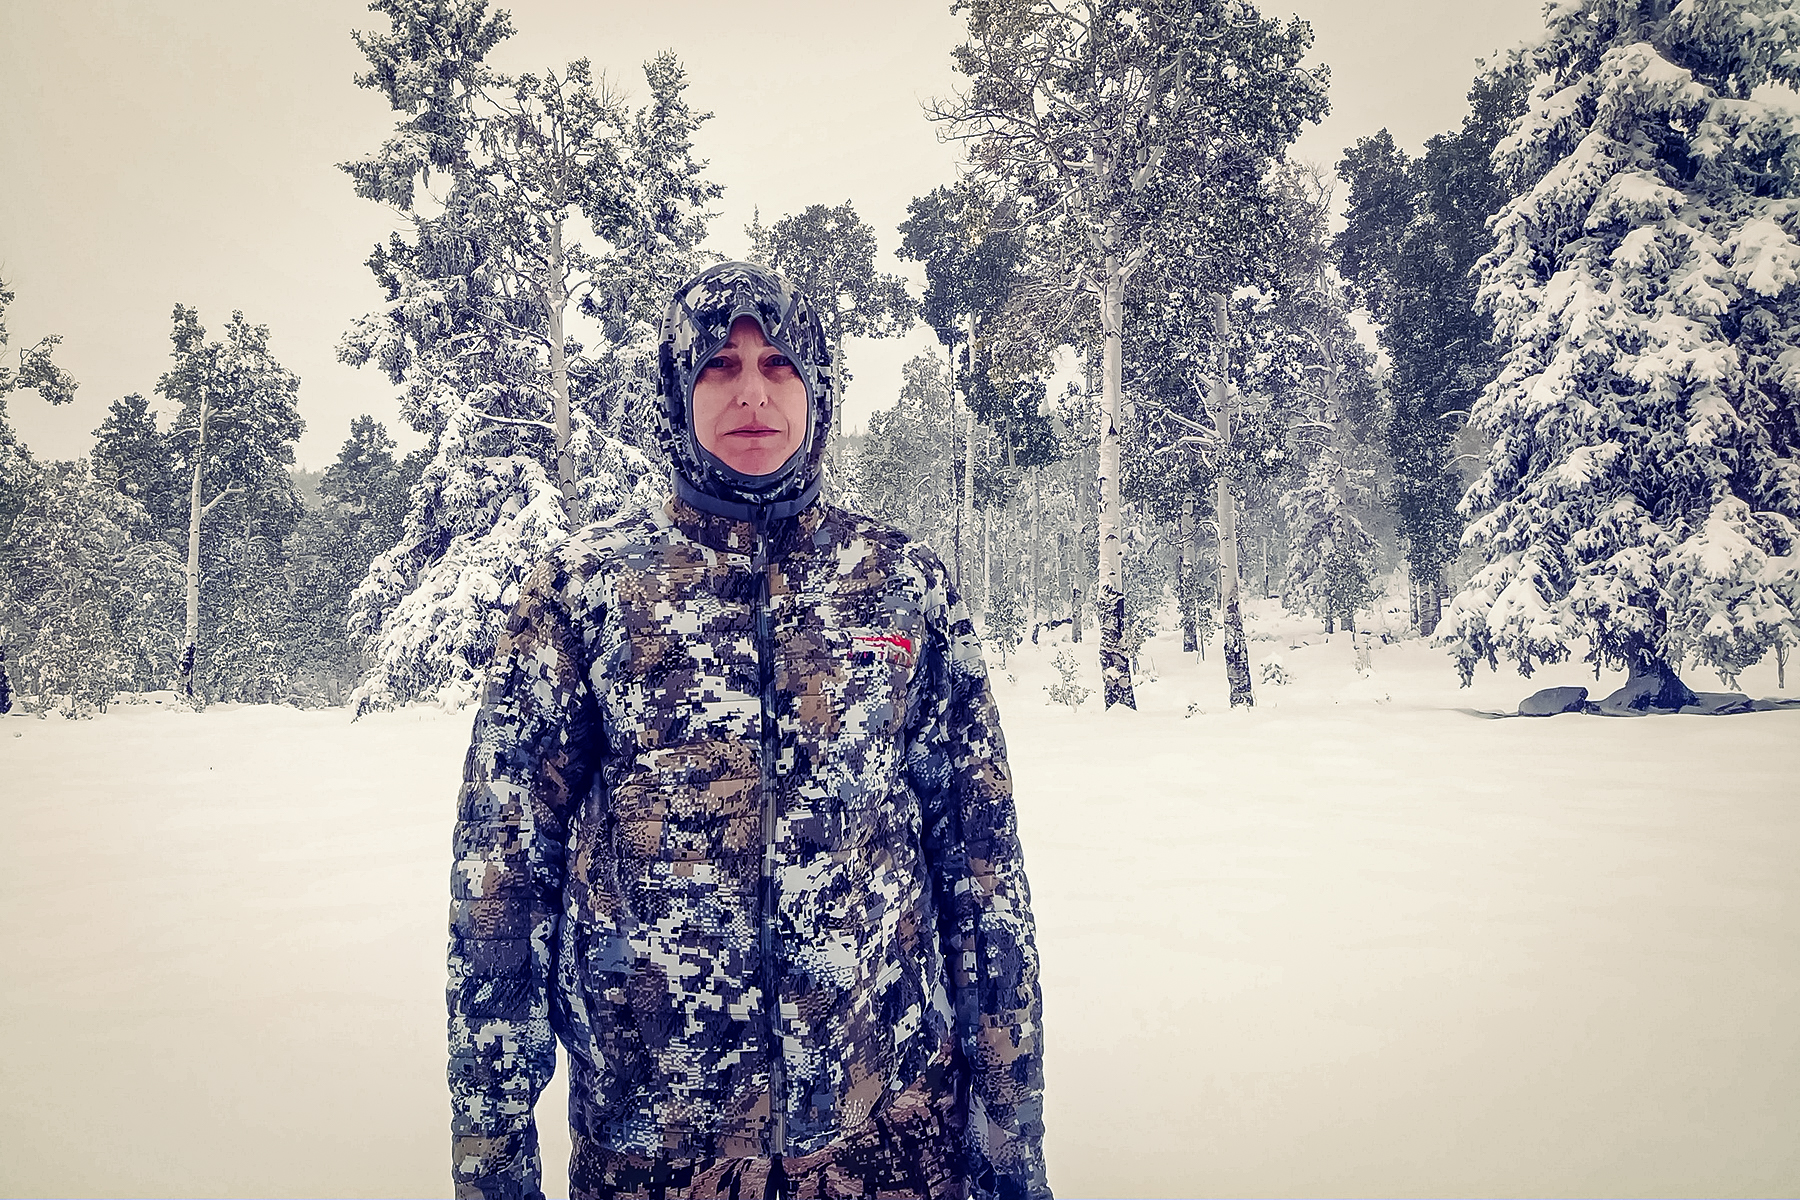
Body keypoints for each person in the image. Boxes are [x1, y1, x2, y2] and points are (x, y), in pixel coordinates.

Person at [448, 261, 1048, 1200]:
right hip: (652, 1152)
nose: (753, 393)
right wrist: (492, 1162)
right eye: (720, 367)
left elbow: (981, 870)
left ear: (817, 385)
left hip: (889, 1134)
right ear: (677, 390)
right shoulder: (583, 592)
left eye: (777, 363)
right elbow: (500, 886)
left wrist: (1008, 1144)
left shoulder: (901, 583)